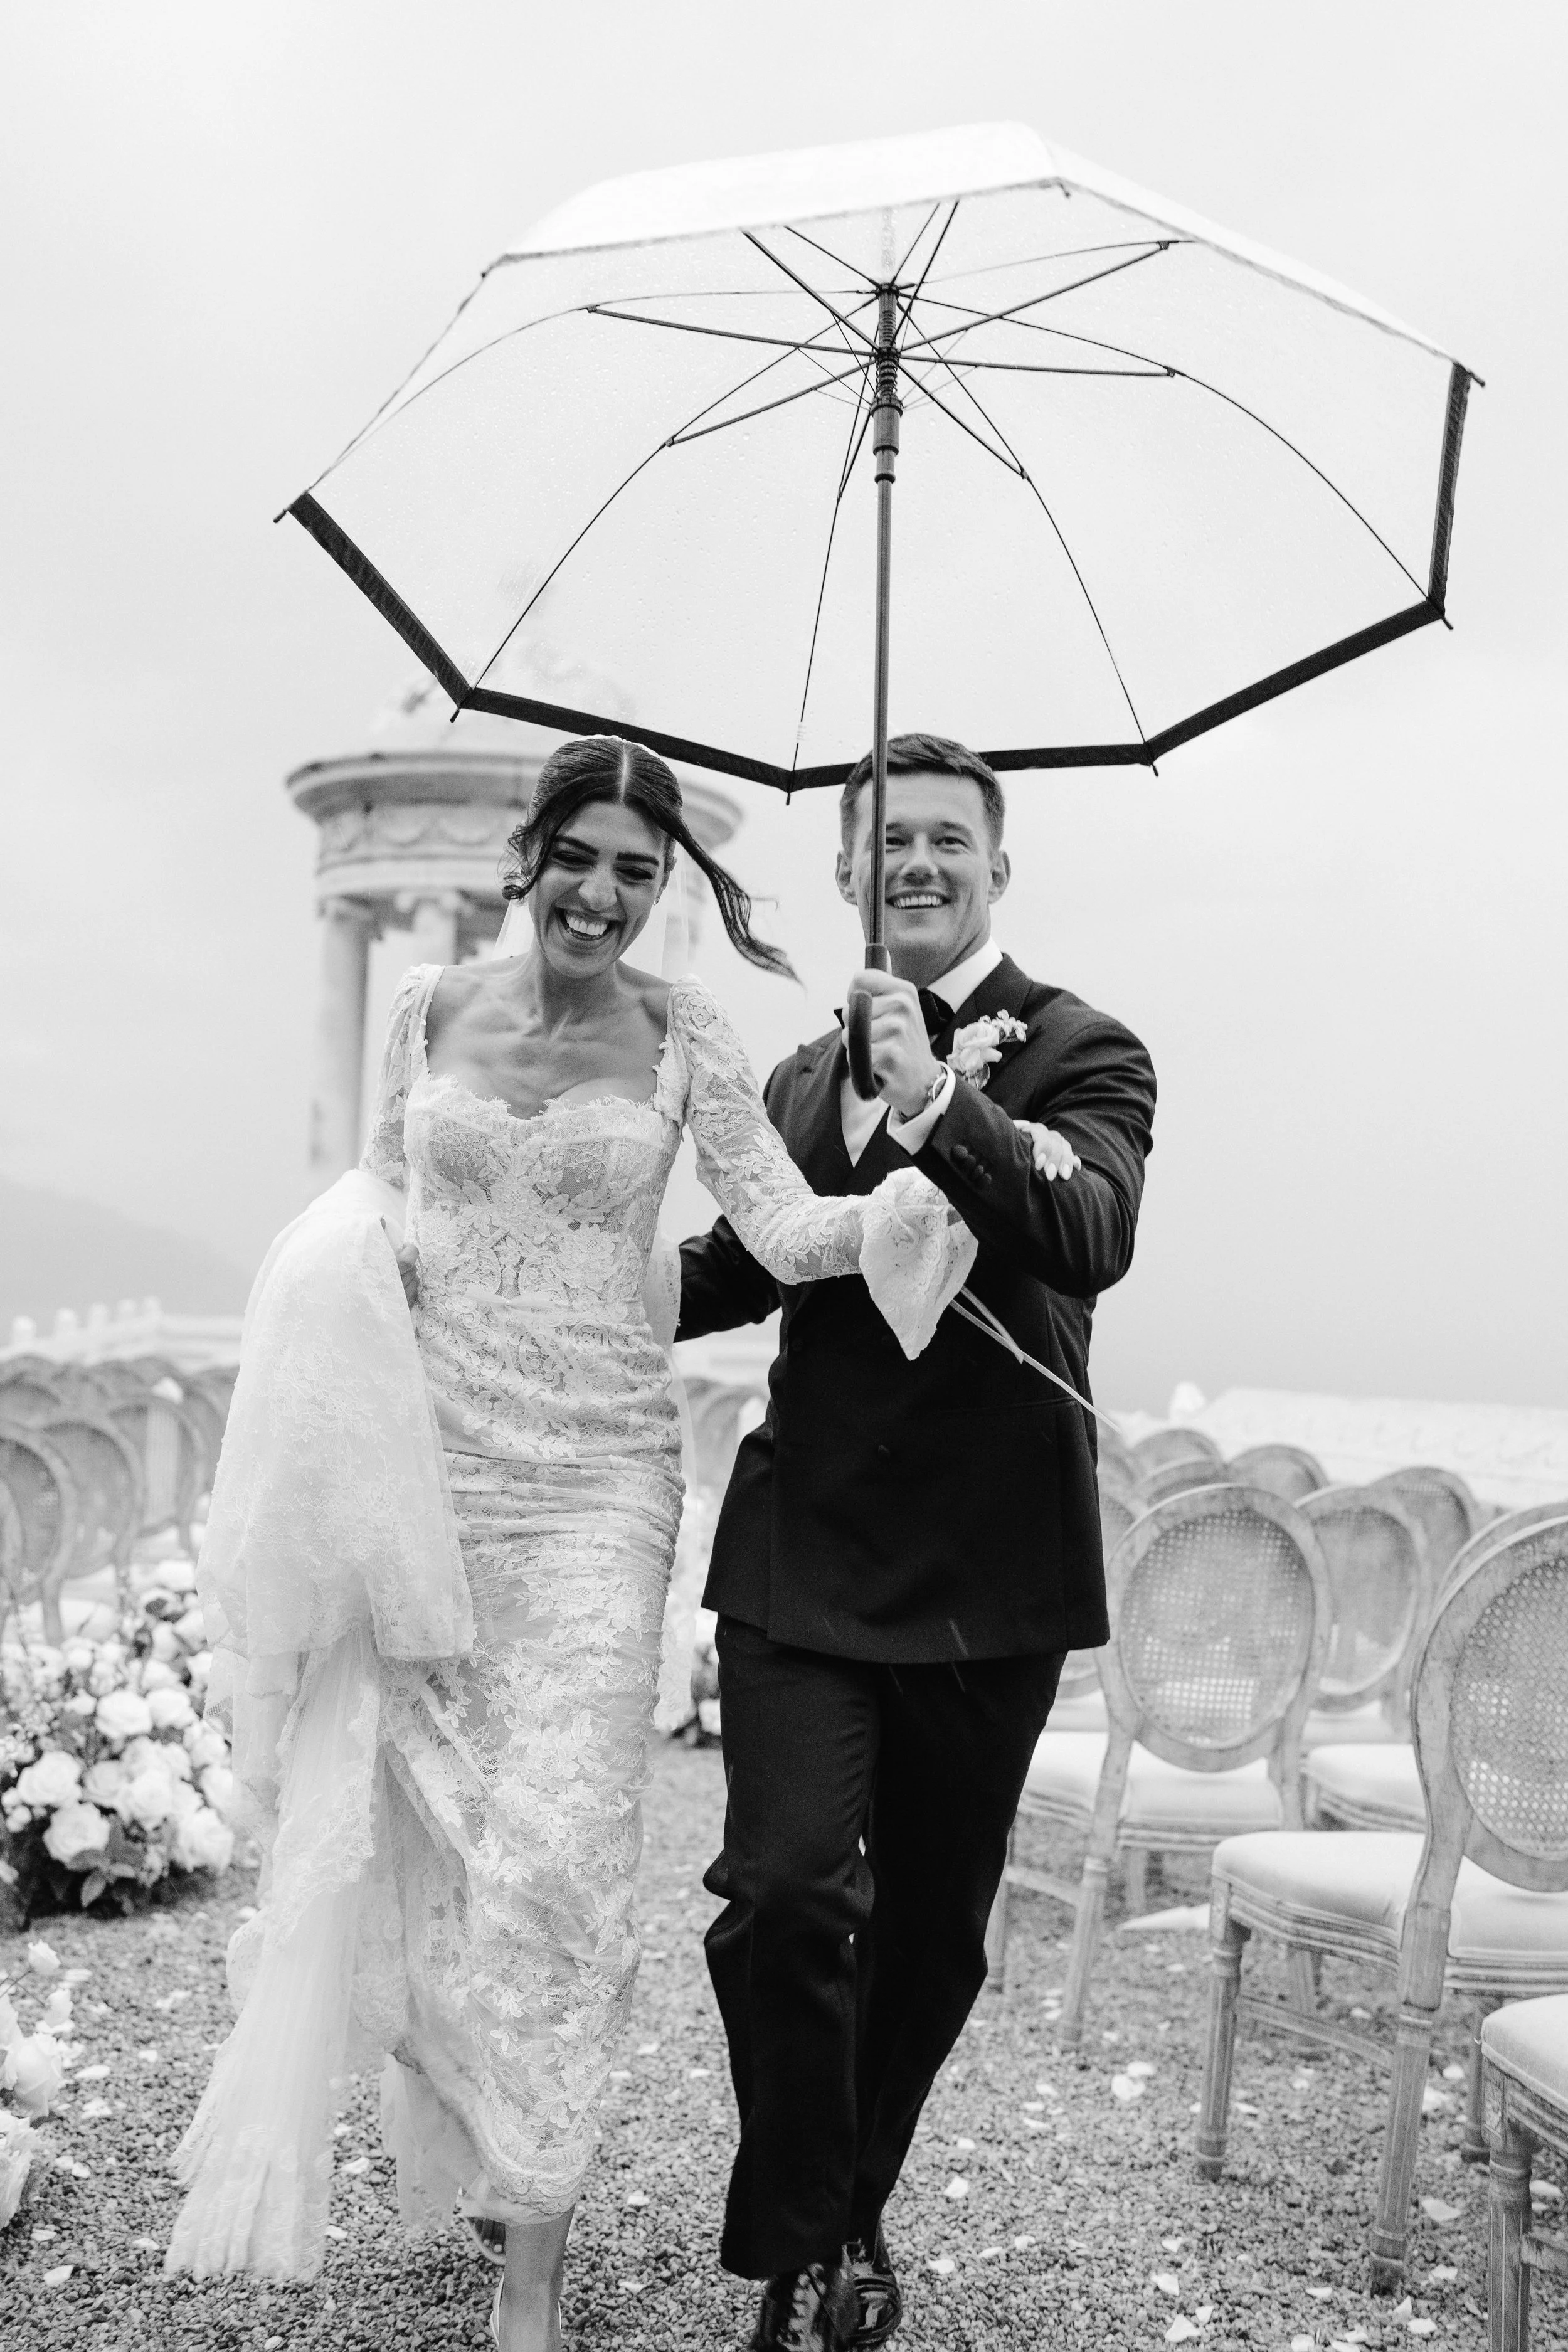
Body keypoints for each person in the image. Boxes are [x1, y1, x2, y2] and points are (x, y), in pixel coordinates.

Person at [163, 736, 982, 2352]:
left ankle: (532, 2275)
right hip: (435, 1475)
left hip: (603, 1485)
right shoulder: (423, 1015)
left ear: (662, 892)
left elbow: (777, 1230)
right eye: (583, 859)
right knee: (436, 1841)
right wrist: (340, 1356)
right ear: (527, 854)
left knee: (553, 1857)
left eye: (638, 872)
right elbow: (383, 1207)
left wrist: (900, 1180)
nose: (603, 895)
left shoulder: (687, 1035)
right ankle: (476, 2118)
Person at [677, 732, 1158, 2352]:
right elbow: (735, 1268)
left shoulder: (1087, 1047)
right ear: (846, 872)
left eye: (949, 841)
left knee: (934, 1929)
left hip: (990, 1570)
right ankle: (803, 2226)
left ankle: (850, 2205)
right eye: (889, 843)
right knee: (782, 1891)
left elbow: (1087, 1234)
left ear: (995, 869)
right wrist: (506, 1268)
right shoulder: (794, 1081)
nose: (919, 866)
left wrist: (938, 1096)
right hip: (799, 1553)